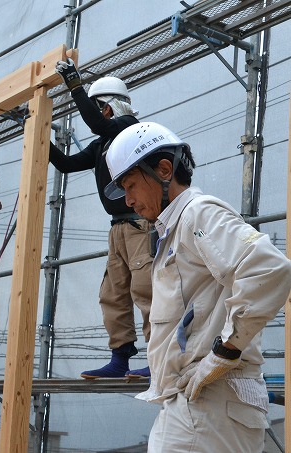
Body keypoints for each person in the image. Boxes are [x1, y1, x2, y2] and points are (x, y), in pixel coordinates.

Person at [104, 121, 291, 452]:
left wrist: (225, 351)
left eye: (131, 185)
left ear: (164, 170)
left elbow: (269, 269)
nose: (128, 200)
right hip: (204, 401)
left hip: (211, 401)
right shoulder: (175, 227)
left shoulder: (196, 214)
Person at [52, 58, 153, 379]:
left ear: (109, 108)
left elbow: (98, 125)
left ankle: (160, 358)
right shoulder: (101, 144)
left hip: (140, 225)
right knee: (113, 293)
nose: (96, 115)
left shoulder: (129, 131)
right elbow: (66, 164)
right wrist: (39, 134)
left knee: (146, 288)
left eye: (98, 107)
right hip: (119, 229)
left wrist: (73, 84)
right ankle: (119, 358)